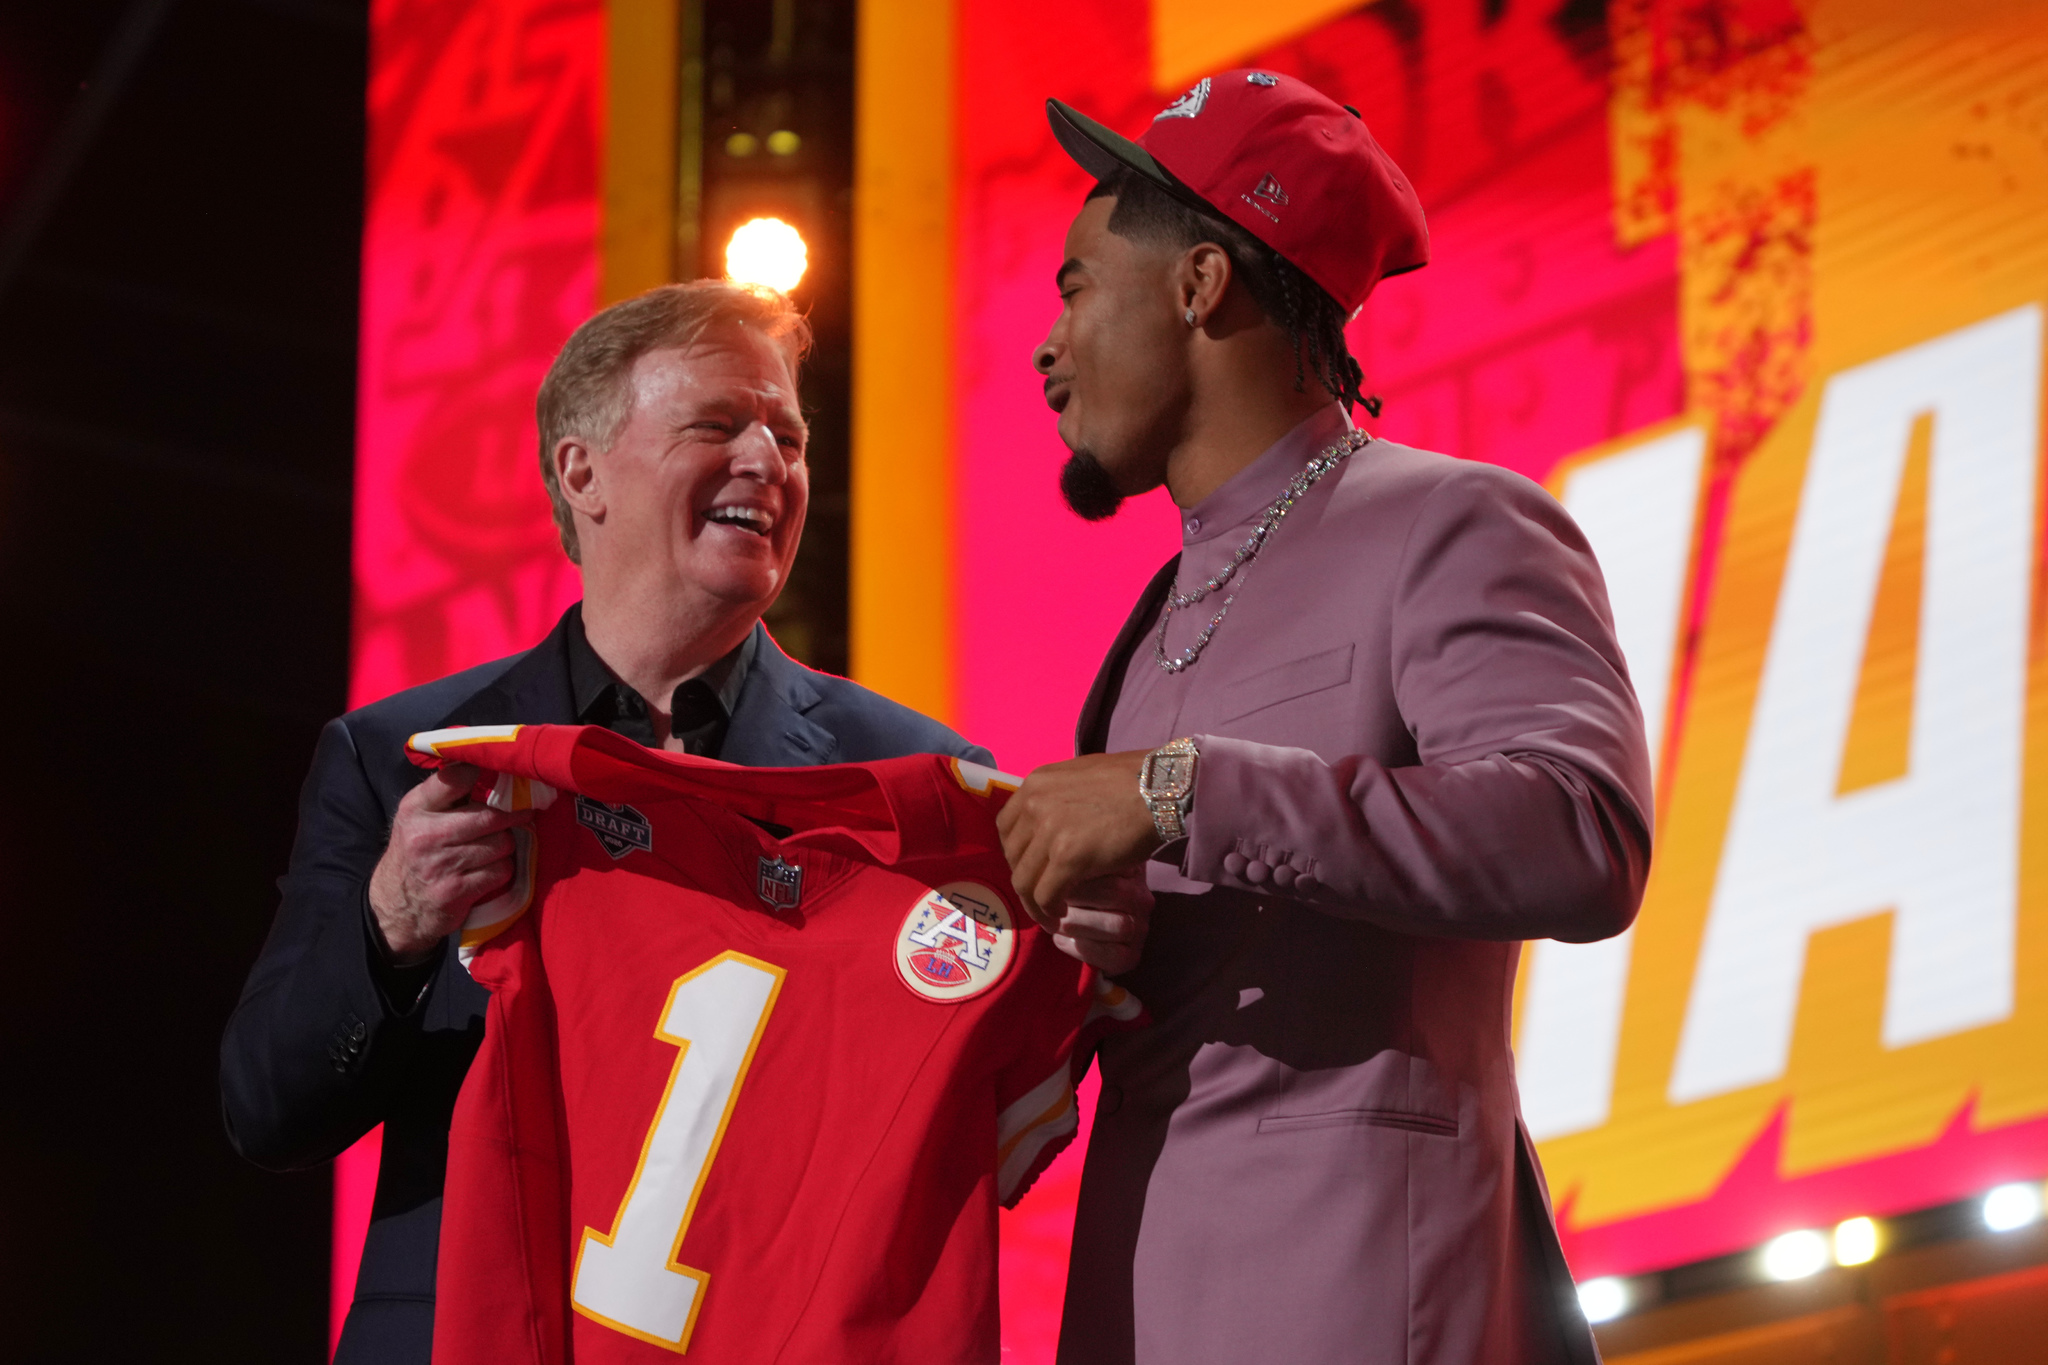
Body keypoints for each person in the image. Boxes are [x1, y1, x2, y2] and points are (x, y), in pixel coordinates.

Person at [996, 71, 1653, 1363]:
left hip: (1361, 1302)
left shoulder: (1453, 521)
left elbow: (1583, 833)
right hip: (1133, 1306)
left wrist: (1181, 794)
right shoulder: (1150, 619)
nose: (1047, 343)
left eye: (1076, 287)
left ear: (1199, 286)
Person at [220, 281, 991, 1364]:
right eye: (719, 425)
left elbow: (973, 1140)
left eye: (788, 436)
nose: (768, 464)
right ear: (580, 472)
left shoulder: (912, 782)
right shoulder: (403, 755)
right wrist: (388, 922)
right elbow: (268, 1109)